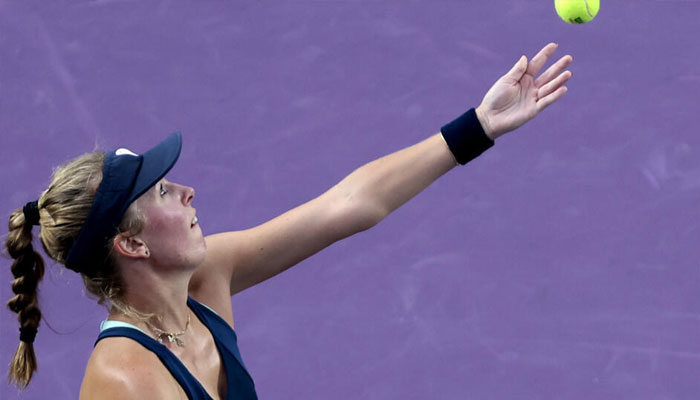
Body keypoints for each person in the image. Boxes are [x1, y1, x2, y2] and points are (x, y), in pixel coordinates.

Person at [6, 42, 572, 399]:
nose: (186, 191)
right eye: (161, 191)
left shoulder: (205, 281)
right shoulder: (127, 381)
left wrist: (478, 126)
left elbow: (346, 206)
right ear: (131, 244)